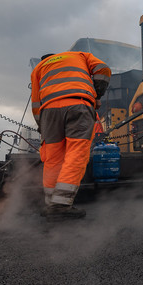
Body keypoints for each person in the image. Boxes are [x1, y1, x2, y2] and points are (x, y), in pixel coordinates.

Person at [31, 51, 111, 220]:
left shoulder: (38, 68)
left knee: (52, 157)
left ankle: (51, 204)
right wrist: (96, 95)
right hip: (78, 103)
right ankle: (61, 204)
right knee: (76, 152)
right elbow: (103, 69)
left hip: (49, 111)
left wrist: (42, 126)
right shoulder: (79, 55)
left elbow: (36, 103)